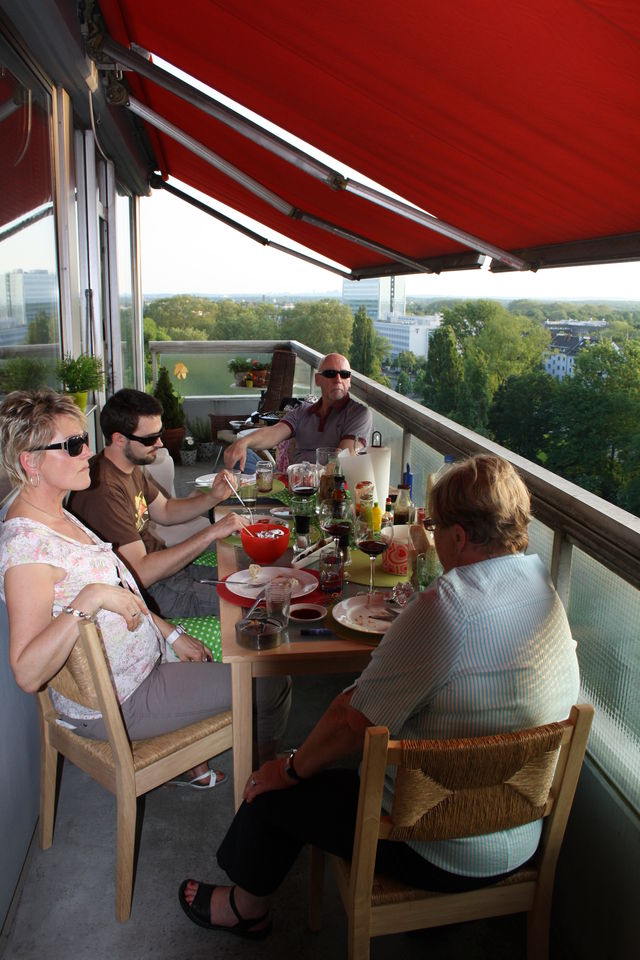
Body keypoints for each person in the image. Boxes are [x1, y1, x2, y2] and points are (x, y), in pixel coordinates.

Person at [178, 454, 580, 936]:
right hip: (518, 838)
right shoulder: (545, 590)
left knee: (272, 790)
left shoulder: (446, 608)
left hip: (431, 843)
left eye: (434, 527)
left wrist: (285, 768)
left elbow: (352, 718)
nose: (428, 538)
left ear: (458, 537)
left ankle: (245, 908)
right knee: (321, 771)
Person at [0, 391, 290, 782]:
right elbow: (27, 672)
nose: (88, 452)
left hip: (143, 665)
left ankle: (203, 758)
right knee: (272, 680)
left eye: (84, 440)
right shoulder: (28, 550)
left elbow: (121, 585)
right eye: (73, 445)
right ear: (30, 461)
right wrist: (92, 598)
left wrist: (169, 634)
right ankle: (267, 782)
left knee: (250, 638)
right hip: (121, 699)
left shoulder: (58, 516)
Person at [69, 389, 247, 620]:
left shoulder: (127, 467)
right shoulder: (102, 491)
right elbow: (140, 573)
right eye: (150, 438)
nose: (160, 443)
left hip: (167, 575)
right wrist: (211, 532)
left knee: (249, 579)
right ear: (119, 438)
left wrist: (214, 497)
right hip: (148, 595)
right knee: (252, 603)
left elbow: (164, 510)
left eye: (159, 433)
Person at [224, 353, 372, 471]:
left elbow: (343, 460)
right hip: (295, 480)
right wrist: (244, 442)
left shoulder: (358, 414)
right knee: (241, 456)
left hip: (326, 488)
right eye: (330, 373)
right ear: (318, 379)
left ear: (349, 380)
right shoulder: (303, 410)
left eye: (344, 374)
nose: (338, 379)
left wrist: (307, 475)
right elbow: (274, 432)